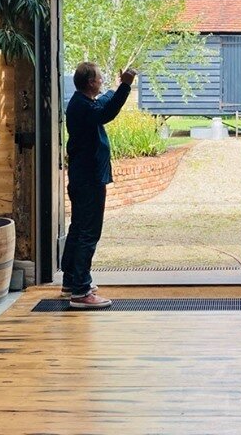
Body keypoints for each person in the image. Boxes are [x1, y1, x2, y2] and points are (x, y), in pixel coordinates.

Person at [61, 62, 137, 309]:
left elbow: (103, 103)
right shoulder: (83, 107)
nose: (102, 81)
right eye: (99, 78)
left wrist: (118, 88)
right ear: (90, 82)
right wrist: (125, 86)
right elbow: (107, 113)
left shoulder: (81, 102)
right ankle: (81, 292)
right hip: (89, 179)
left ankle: (71, 281)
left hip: (83, 177)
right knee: (88, 233)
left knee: (78, 229)